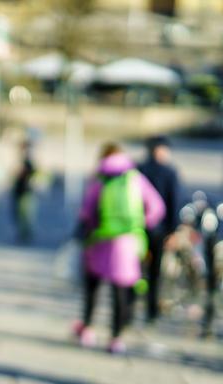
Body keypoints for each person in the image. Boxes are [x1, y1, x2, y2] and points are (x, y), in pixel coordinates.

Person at [72, 143, 165, 353]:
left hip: (100, 241)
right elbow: (157, 207)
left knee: (93, 289)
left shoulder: (100, 178)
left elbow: (86, 211)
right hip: (128, 244)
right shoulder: (135, 178)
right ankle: (116, 338)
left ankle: (87, 329)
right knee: (121, 292)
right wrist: (139, 224)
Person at [137, 136, 181, 323]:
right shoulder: (169, 172)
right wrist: (173, 230)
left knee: (137, 270)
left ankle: (132, 307)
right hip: (159, 229)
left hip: (138, 227)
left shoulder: (139, 169)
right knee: (155, 272)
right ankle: (151, 311)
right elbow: (174, 203)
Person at [11, 138, 37, 243]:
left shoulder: (28, 162)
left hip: (26, 192)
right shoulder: (20, 161)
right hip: (19, 191)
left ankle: (26, 234)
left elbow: (32, 174)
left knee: (25, 215)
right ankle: (22, 233)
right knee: (18, 214)